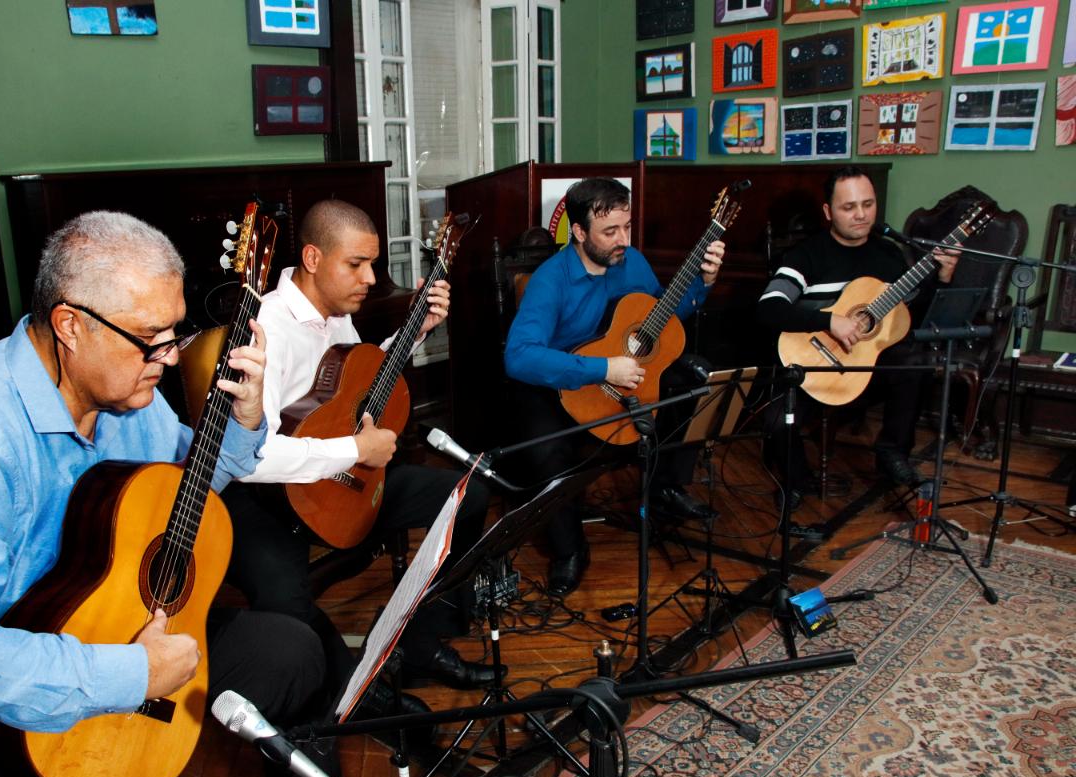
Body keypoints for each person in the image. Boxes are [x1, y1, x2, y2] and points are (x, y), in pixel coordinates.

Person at [0, 211, 326, 777]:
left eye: (175, 333)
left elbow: (184, 491)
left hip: (111, 623)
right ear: (70, 326)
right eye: (151, 339)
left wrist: (242, 422)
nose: (169, 358)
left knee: (293, 651)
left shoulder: (130, 397)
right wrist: (129, 674)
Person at [222, 199, 501, 692]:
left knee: (468, 496)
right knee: (288, 615)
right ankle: (343, 706)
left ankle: (422, 642)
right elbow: (252, 458)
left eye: (372, 263)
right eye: (356, 264)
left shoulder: (335, 313)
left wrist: (414, 333)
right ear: (313, 258)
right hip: (267, 499)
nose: (370, 278)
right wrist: (356, 450)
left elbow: (353, 385)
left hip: (340, 479)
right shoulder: (265, 328)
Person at [503, 177, 726, 595]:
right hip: (560, 384)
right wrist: (603, 369)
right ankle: (569, 550)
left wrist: (703, 282)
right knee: (546, 447)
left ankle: (665, 486)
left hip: (622, 375)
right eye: (610, 232)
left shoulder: (631, 261)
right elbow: (519, 356)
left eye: (627, 227)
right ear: (579, 232)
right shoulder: (550, 280)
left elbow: (660, 315)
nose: (623, 240)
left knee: (695, 378)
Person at [756, 165, 959, 506]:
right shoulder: (805, 256)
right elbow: (769, 308)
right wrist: (828, 321)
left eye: (868, 204)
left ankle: (892, 452)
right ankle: (796, 481)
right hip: (815, 366)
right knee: (776, 421)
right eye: (849, 207)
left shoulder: (889, 254)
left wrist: (942, 279)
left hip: (865, 370)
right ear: (828, 211)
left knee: (916, 361)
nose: (861, 215)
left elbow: (911, 317)